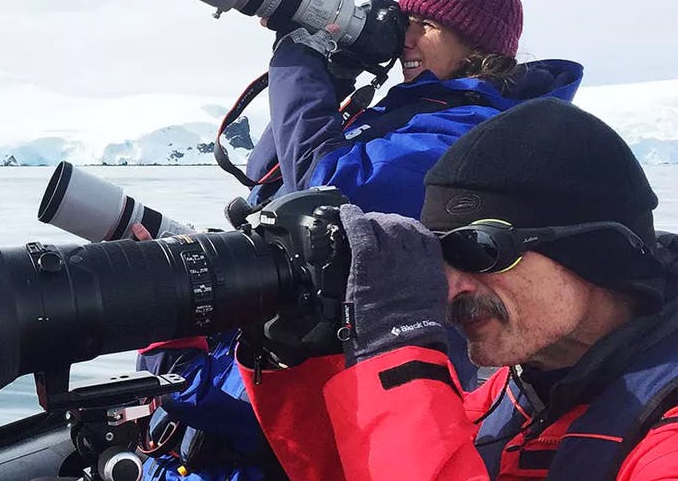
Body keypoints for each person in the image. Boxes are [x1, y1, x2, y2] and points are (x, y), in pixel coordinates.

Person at [138, 0, 583, 479]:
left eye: (424, 25)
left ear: (475, 43)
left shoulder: (468, 134)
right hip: (313, 350)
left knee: (188, 383)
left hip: (363, 368)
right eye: (406, 21)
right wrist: (333, 73)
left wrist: (298, 63)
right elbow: (268, 181)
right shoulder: (416, 112)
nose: (407, 39)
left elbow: (324, 191)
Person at [240, 97, 678, 479]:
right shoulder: (527, 386)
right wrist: (301, 357)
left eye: (478, 250)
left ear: (594, 249)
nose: (448, 289)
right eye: (434, 256)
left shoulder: (666, 441)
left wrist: (395, 358)